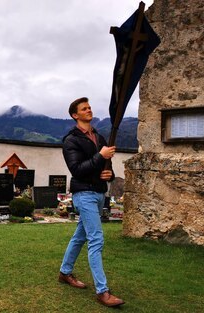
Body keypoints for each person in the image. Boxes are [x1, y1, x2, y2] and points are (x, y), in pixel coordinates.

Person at [58, 97, 124, 307]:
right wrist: (100, 155)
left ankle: (64, 272)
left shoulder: (100, 137)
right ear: (75, 115)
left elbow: (106, 167)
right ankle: (102, 291)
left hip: (98, 193)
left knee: (80, 236)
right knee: (96, 239)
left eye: (89, 107)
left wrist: (109, 175)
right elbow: (76, 170)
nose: (89, 110)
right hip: (83, 194)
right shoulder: (71, 140)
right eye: (84, 108)